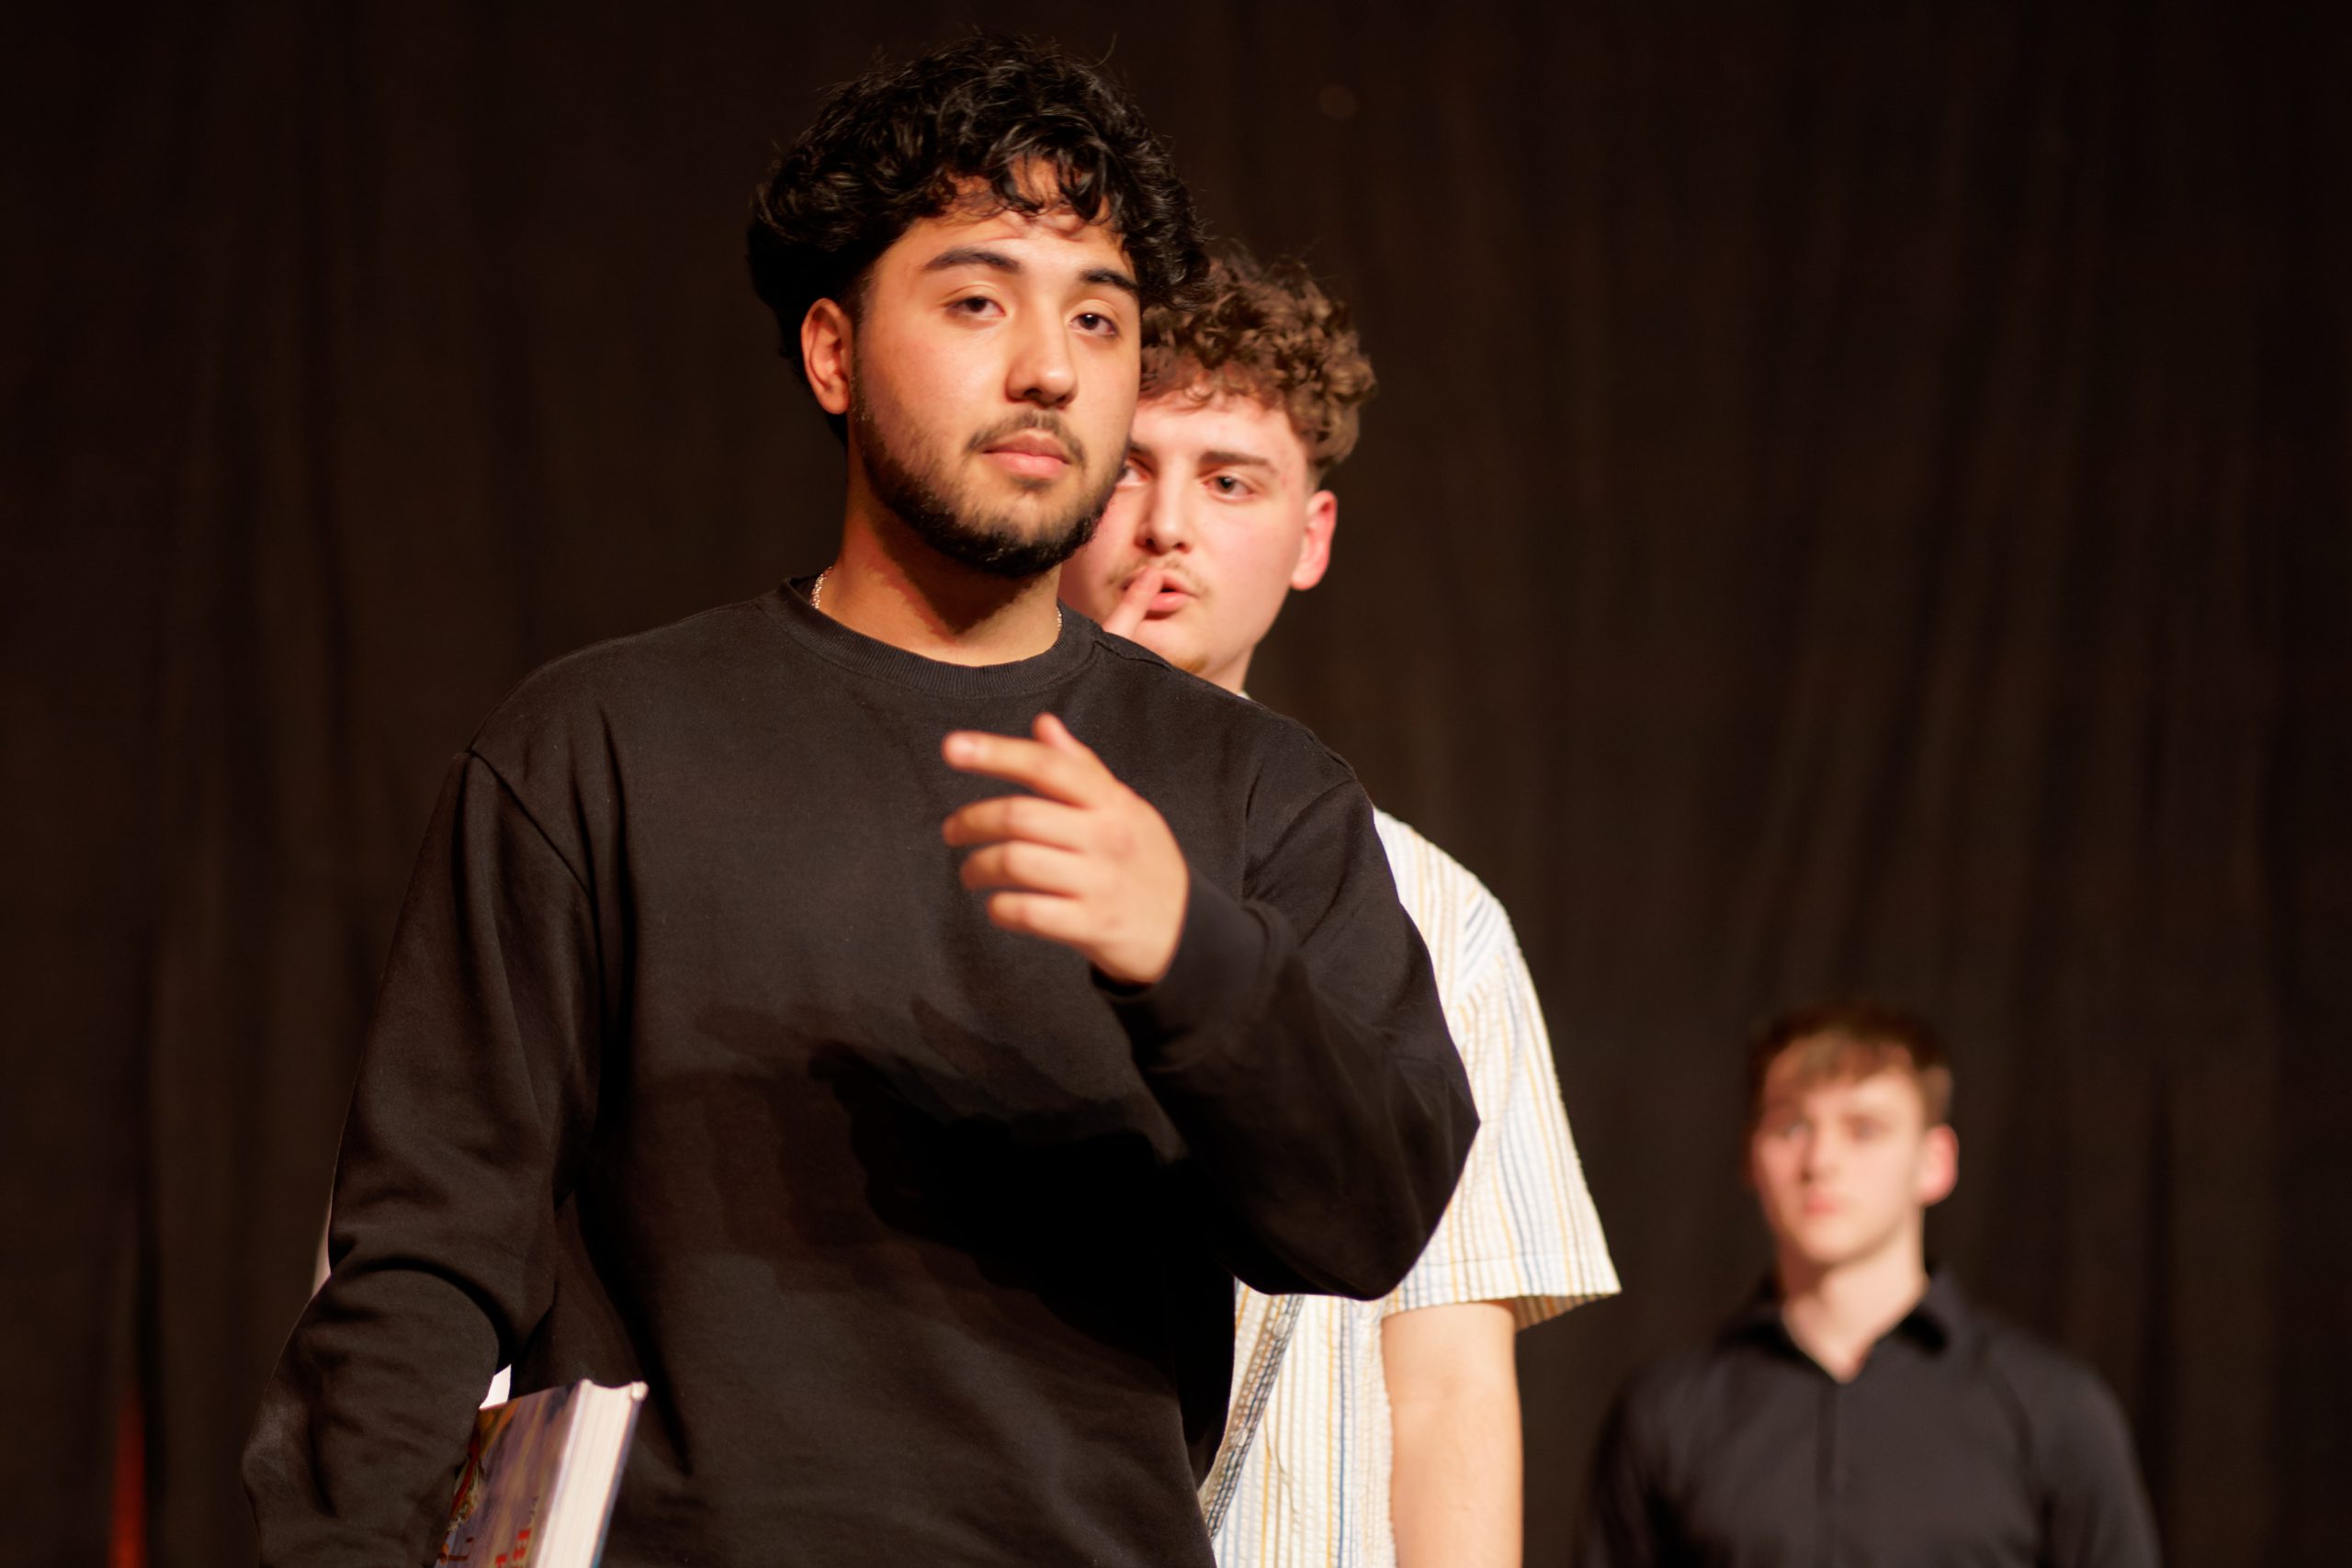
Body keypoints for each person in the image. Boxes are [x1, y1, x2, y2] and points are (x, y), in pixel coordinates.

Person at [242, 38, 1478, 1568]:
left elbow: (1371, 1218)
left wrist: (1189, 951)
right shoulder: (597, 748)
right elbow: (422, 1264)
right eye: (978, 301)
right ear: (832, 353)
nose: (1050, 366)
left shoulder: (1253, 792)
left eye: (1098, 317)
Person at [1058, 249, 1619, 1568]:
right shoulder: (924, 823)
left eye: (1229, 480)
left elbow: (1448, 1387)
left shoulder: (1435, 913)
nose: (1167, 524)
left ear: (1311, 537)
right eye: (1129, 467)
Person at [1577, 1001, 2161, 1566]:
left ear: (1934, 1161)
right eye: (1791, 1126)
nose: (1820, 1161)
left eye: (1864, 1129)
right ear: (1751, 1157)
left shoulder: (2053, 1408)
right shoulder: (1666, 1413)